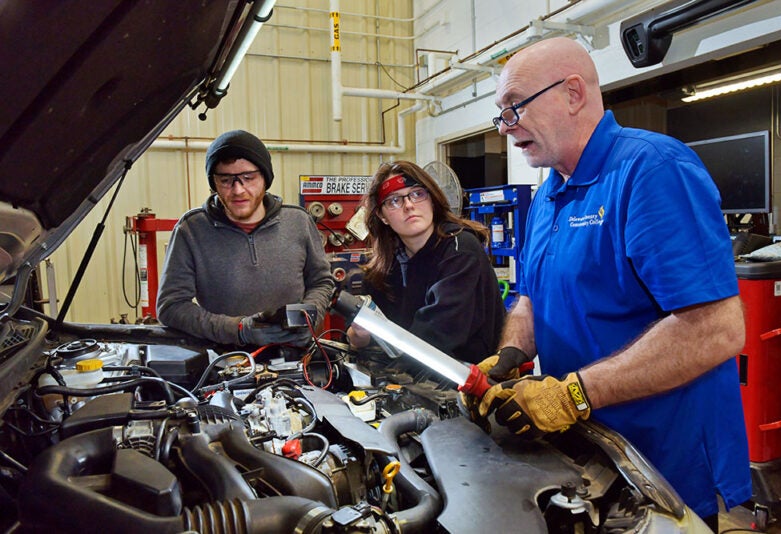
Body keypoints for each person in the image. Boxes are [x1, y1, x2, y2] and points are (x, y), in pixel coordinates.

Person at [471, 37, 751, 530]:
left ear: (573, 93)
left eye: (515, 107)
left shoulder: (652, 170)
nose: (506, 126)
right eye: (502, 114)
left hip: (665, 468)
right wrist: (513, 353)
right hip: (592, 455)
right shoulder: (548, 194)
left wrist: (573, 394)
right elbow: (531, 298)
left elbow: (714, 329)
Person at [157, 130, 334, 348]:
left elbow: (321, 282)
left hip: (296, 361)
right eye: (225, 180)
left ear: (265, 178)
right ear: (213, 183)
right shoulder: (191, 230)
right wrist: (239, 330)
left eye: (248, 178)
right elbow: (171, 306)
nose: (238, 190)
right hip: (225, 366)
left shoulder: (298, 222)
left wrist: (310, 317)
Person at [346, 160, 505, 367]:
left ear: (432, 199)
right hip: (417, 379)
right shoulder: (389, 263)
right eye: (394, 200)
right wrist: (360, 336)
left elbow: (437, 336)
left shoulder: (461, 250)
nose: (409, 205)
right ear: (382, 215)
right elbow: (365, 334)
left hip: (470, 382)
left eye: (417, 194)